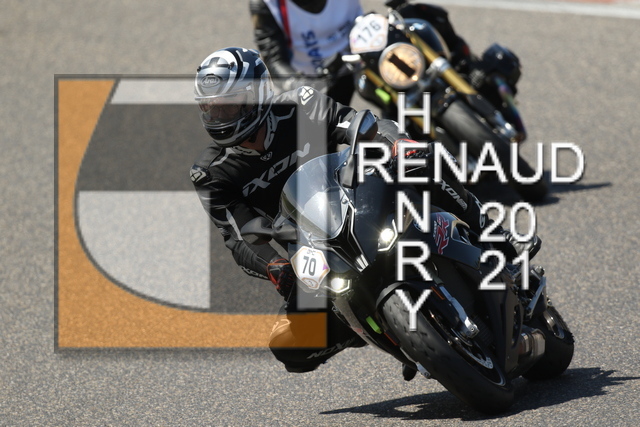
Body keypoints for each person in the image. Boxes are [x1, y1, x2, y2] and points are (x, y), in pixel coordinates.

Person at [190, 47, 539, 375]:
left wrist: (396, 143)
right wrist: (275, 266)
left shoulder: (299, 104)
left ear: (257, 95)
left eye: (228, 107)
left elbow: (358, 122)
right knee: (289, 347)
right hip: (314, 249)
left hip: (362, 196)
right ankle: (382, 332)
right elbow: (238, 236)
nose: (218, 117)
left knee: (423, 159)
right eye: (211, 109)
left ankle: (492, 234)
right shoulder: (211, 173)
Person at [249, 0, 501, 106]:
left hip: (366, 48)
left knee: (423, 16)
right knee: (318, 148)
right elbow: (272, 55)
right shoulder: (266, 4)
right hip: (322, 80)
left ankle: (468, 69)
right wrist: (297, 84)